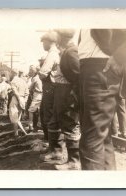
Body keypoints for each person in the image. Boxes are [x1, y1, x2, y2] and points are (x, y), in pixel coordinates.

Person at [78, 29, 126, 170]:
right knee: (101, 136)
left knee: (91, 139)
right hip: (90, 67)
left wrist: (120, 56)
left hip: (101, 66)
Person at [42, 29, 81, 170]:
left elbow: (79, 77)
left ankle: (74, 162)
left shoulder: (71, 52)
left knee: (70, 124)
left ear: (61, 36)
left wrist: (73, 95)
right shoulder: (65, 51)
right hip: (59, 91)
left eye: (56, 35)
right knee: (54, 122)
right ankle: (56, 152)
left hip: (67, 93)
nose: (54, 38)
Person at [38, 31, 60, 144]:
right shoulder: (56, 53)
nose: (43, 45)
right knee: (48, 114)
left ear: (49, 42)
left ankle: (51, 143)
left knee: (48, 114)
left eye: (43, 42)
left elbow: (42, 74)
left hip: (50, 87)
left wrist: (38, 71)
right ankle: (50, 141)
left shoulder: (51, 54)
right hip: (53, 87)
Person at [9, 68, 29, 136]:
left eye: (10, 73)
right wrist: (24, 101)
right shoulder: (23, 81)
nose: (10, 74)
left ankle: (16, 134)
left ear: (13, 73)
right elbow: (27, 92)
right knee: (18, 118)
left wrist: (19, 99)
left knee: (14, 117)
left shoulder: (13, 81)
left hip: (16, 99)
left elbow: (15, 92)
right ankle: (22, 133)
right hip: (23, 99)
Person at [27, 65, 43, 132]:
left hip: (37, 94)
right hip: (43, 94)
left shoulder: (35, 78)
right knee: (40, 111)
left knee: (31, 110)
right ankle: (39, 125)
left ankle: (30, 126)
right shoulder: (42, 77)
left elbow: (30, 88)